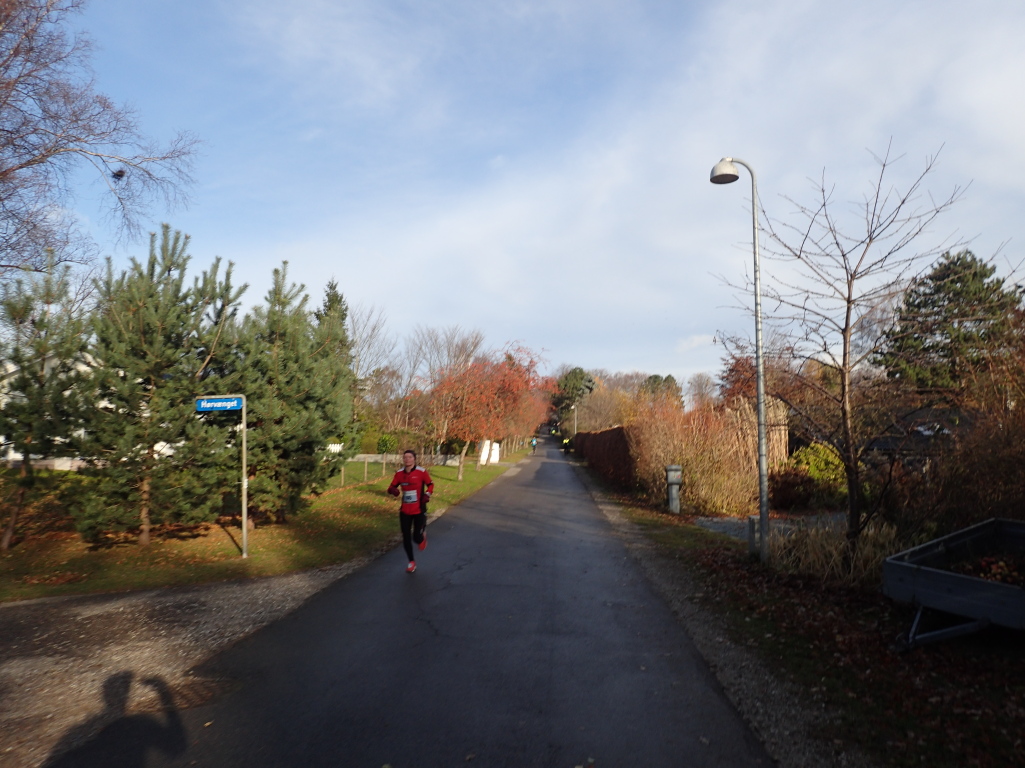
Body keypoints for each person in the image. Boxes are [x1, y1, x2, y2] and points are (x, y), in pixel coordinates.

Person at [387, 449, 434, 573]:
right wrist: (393, 490)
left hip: (418, 509)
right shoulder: (399, 473)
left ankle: (421, 536)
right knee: (406, 537)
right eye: (405, 457)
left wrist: (427, 495)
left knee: (416, 538)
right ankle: (411, 562)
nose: (407, 459)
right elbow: (391, 487)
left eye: (410, 457)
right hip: (405, 511)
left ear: (414, 459)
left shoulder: (421, 472)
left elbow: (430, 484)